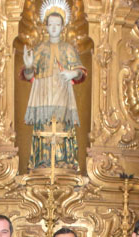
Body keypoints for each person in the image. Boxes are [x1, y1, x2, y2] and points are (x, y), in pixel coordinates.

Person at [22, 2, 86, 169]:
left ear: (63, 26)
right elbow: (29, 75)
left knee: (62, 125)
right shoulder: (40, 48)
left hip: (62, 92)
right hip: (43, 92)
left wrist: (73, 73)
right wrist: (29, 66)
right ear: (46, 26)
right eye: (51, 25)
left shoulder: (68, 48)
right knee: (44, 126)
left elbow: (80, 71)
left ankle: (63, 160)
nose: (54, 28)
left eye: (58, 25)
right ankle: (43, 160)